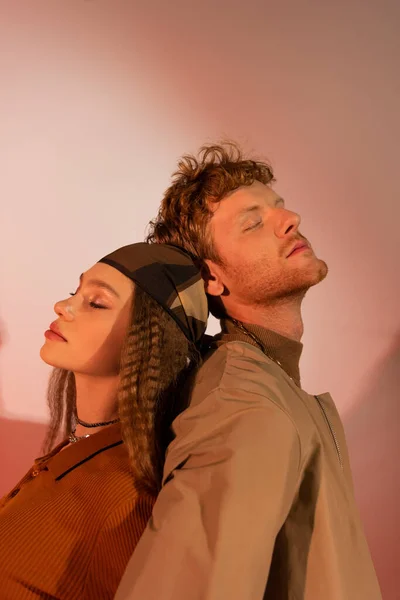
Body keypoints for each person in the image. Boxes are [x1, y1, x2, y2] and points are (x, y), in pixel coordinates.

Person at [116, 143, 382, 599]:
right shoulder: (243, 404)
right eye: (253, 222)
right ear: (212, 278)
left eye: (278, 207)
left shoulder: (268, 388)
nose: (290, 219)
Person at [0, 242, 208, 599]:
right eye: (74, 292)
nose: (62, 306)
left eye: (96, 302)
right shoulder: (77, 450)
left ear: (147, 340)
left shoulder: (130, 495)